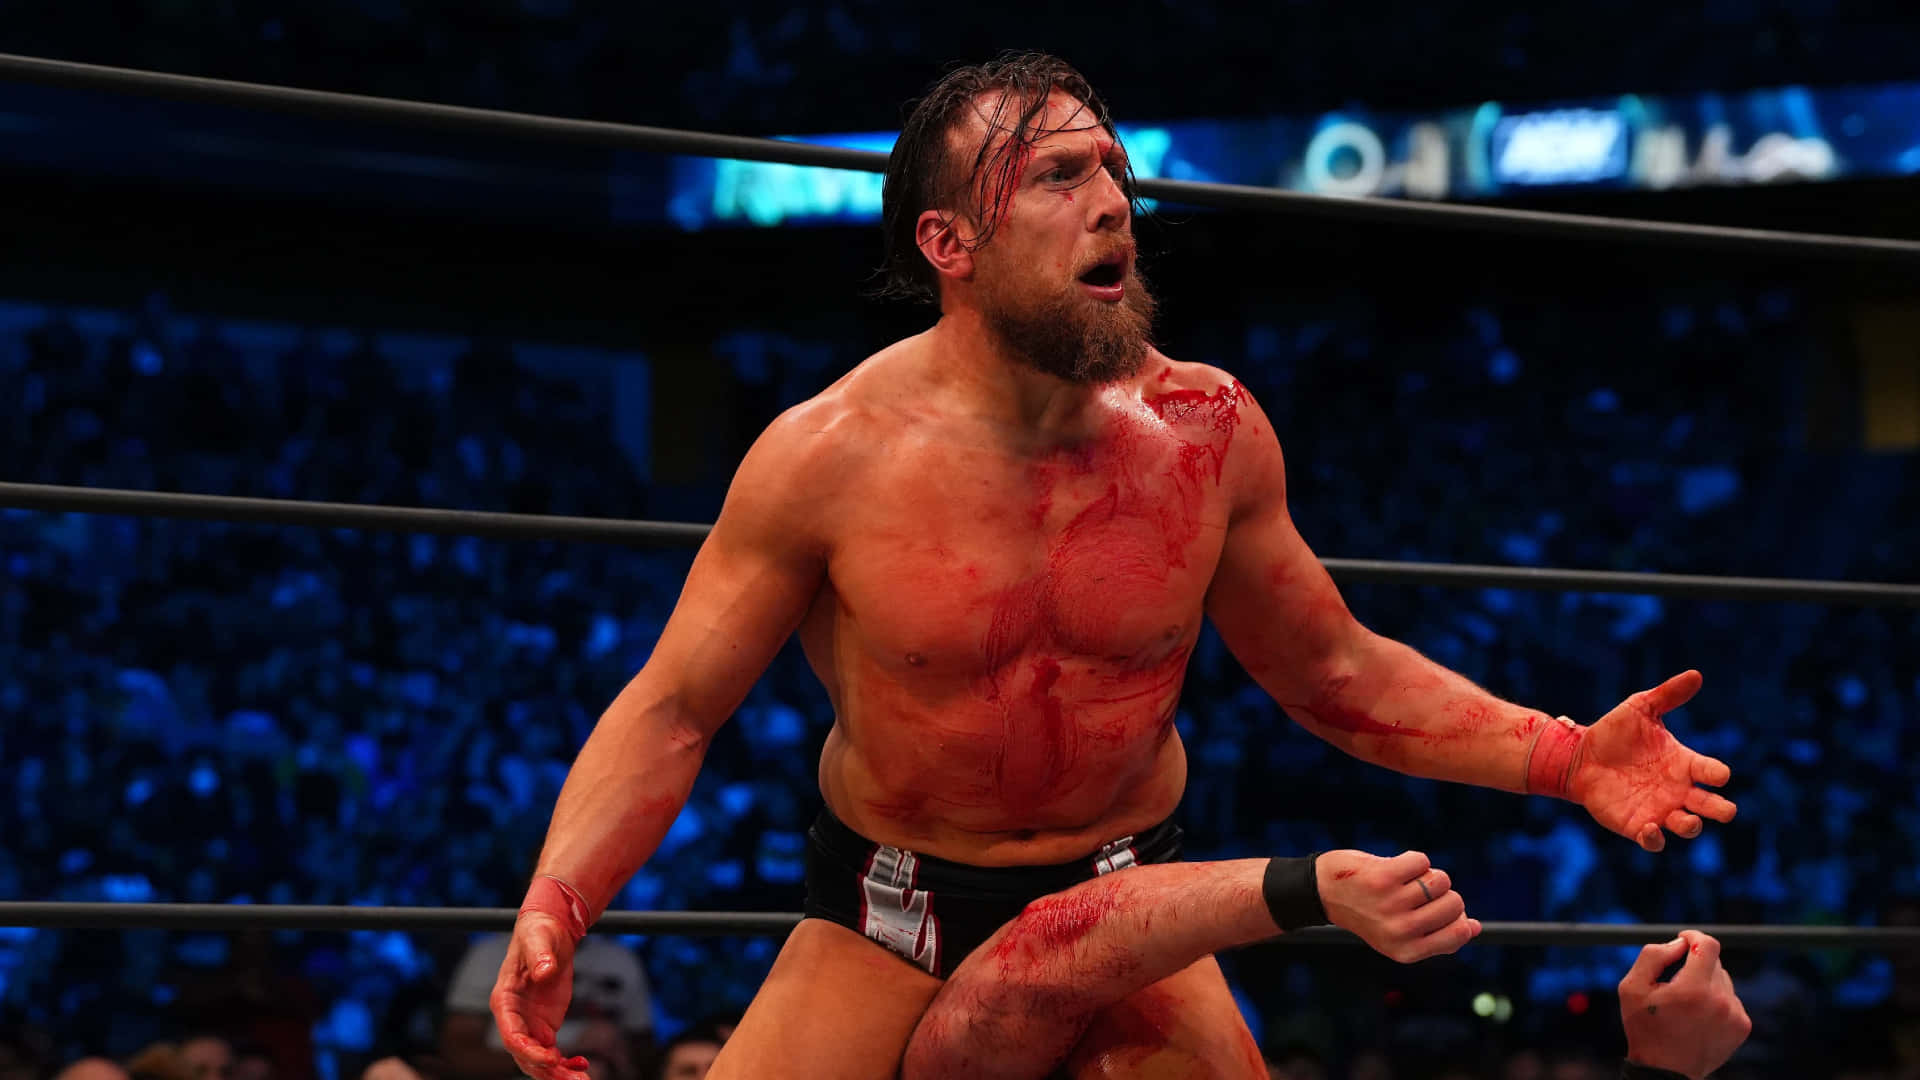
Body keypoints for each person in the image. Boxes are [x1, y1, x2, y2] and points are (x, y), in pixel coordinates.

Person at [491, 51, 1737, 1079]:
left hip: (1131, 894)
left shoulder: (1205, 430)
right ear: (949, 241)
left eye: (1114, 172)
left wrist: (1566, 757)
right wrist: (557, 903)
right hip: (891, 913)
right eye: (1058, 176)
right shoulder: (828, 456)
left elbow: (1332, 671)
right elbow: (675, 707)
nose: (1112, 205)